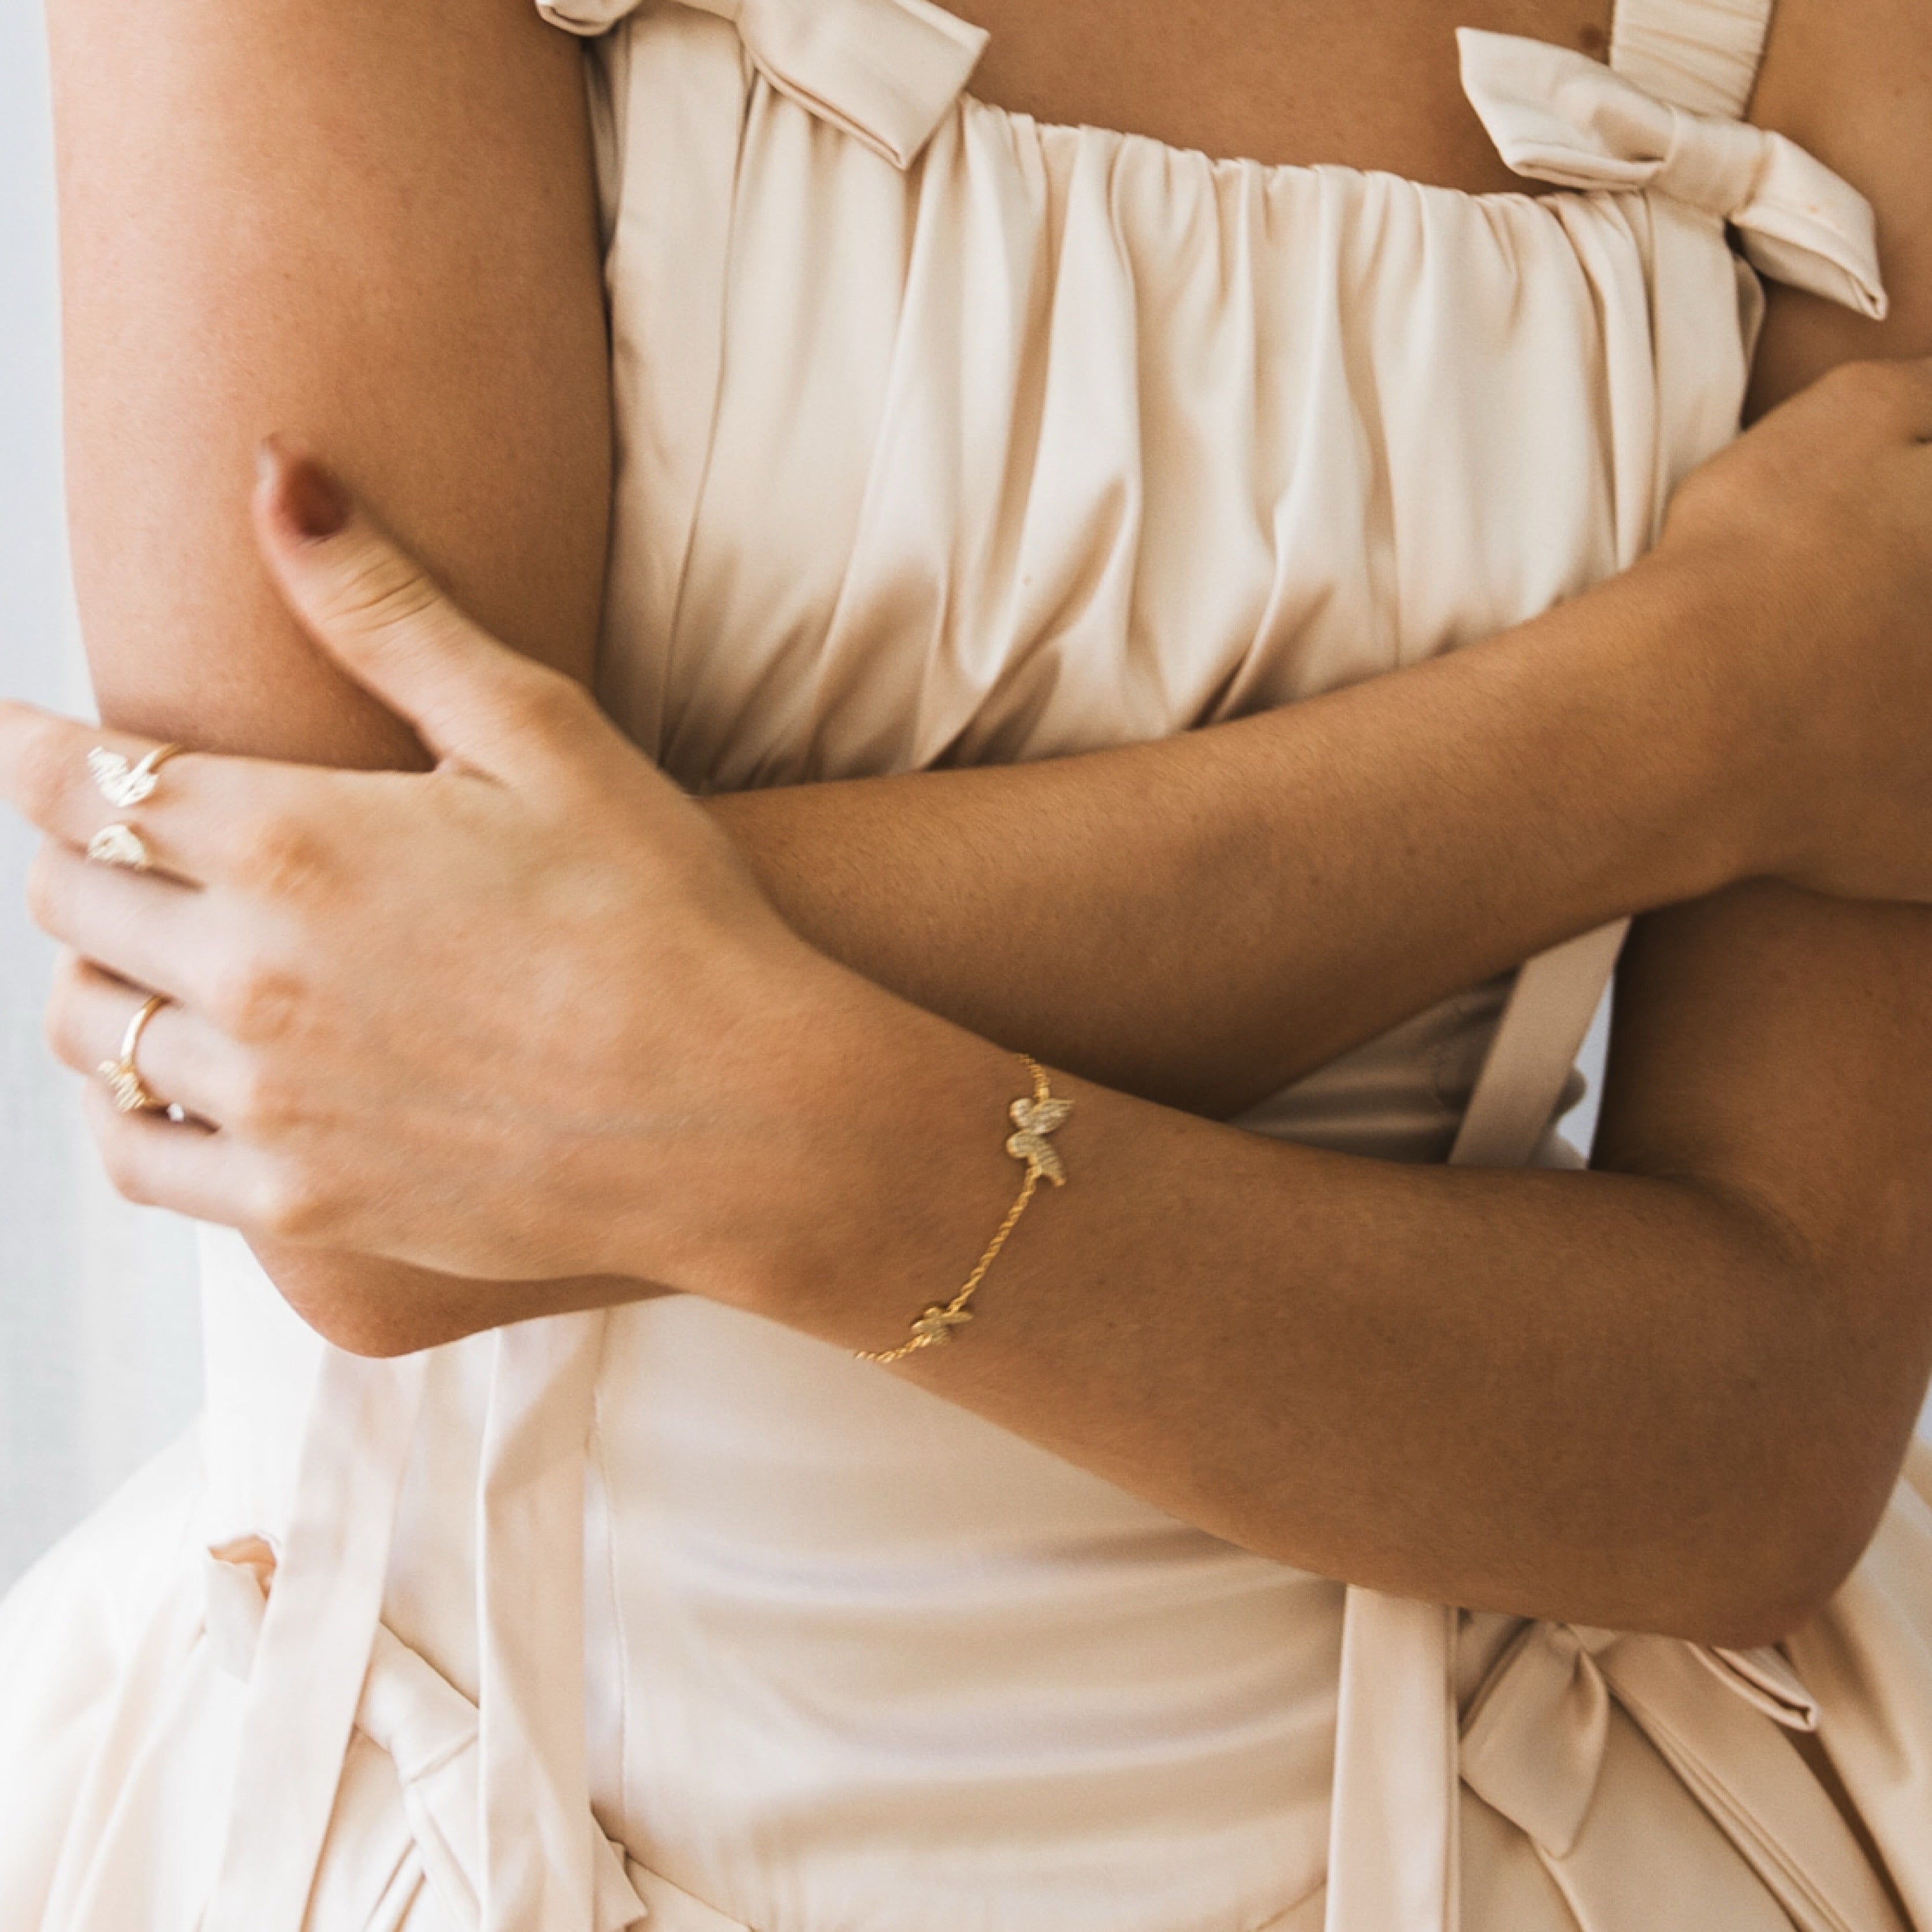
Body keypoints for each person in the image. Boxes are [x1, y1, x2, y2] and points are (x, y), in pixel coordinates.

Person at [1, 0, 1930, 1925]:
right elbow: (365, 1149)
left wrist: (767, 1125)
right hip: (456, 1835)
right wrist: (1676, 732)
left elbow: (1763, 1428)